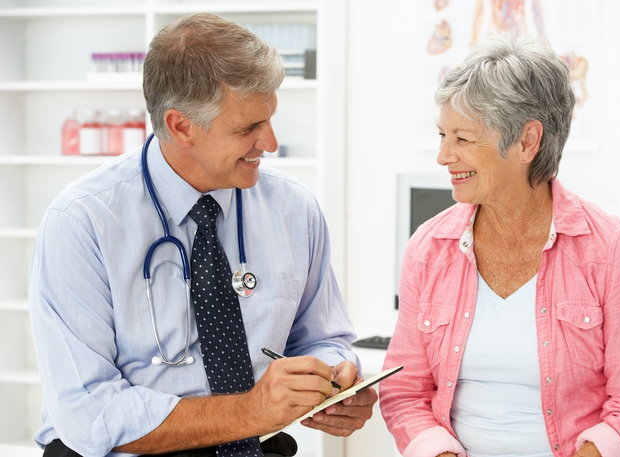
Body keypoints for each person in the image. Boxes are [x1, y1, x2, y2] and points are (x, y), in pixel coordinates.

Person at [28, 13, 376, 457]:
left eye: (269, 118)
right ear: (180, 126)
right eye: (247, 128)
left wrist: (334, 382)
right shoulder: (82, 221)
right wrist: (251, 411)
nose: (269, 142)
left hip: (253, 446)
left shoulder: (294, 209)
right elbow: (90, 414)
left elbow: (321, 338)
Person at [379, 35, 620, 457]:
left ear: (527, 141)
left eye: (462, 138)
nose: (443, 156)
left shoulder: (608, 249)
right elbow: (405, 391)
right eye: (443, 135)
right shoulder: (429, 247)